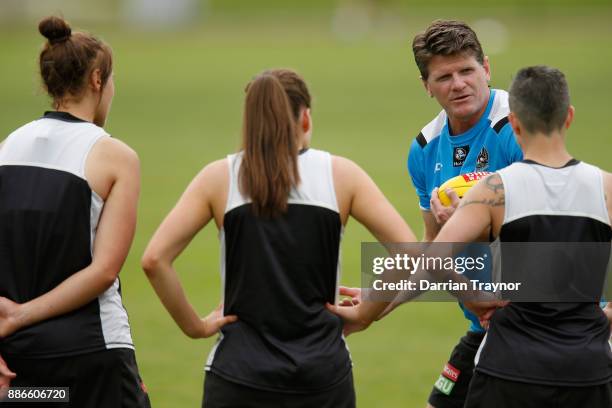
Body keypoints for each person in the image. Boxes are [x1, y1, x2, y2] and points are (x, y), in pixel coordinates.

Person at [331, 65, 612, 407]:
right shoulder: (606, 186)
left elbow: (434, 256)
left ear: (516, 125)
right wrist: (603, 317)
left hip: (510, 357)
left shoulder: (492, 190)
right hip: (589, 363)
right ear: (569, 117)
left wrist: (472, 292)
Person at [141, 68, 417, 407]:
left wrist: (195, 326)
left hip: (238, 375)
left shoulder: (219, 177)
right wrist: (365, 313)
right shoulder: (341, 175)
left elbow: (155, 260)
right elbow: (408, 251)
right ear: (305, 119)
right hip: (322, 376)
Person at [340, 19, 523, 408]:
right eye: (444, 77)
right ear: (427, 86)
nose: (458, 84)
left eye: (467, 71)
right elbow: (433, 248)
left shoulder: (519, 127)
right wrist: (378, 301)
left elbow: (552, 235)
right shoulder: (425, 148)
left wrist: (475, 222)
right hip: (485, 325)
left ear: (486, 68)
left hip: (535, 324)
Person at [0, 16, 150, 407]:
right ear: (98, 80)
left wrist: (11, 323)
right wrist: (21, 315)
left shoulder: (7, 148)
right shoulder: (116, 156)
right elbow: (103, 271)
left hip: (20, 365)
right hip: (92, 357)